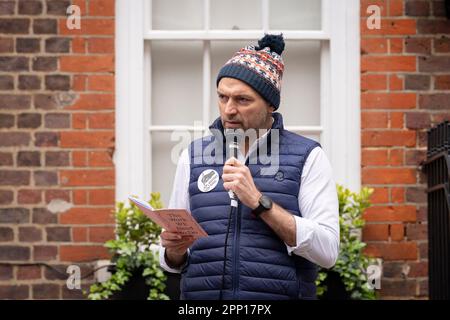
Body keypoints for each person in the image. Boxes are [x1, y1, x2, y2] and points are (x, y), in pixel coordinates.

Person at [159, 34, 339, 300]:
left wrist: (258, 201)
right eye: (223, 97)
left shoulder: (308, 156)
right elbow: (173, 259)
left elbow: (327, 252)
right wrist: (173, 251)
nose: (229, 109)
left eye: (242, 100)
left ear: (269, 104)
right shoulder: (194, 155)